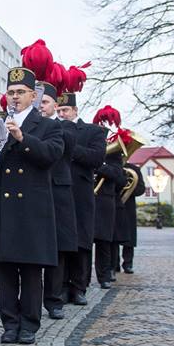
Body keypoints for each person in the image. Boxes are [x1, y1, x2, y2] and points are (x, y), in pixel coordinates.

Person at [0, 67, 62, 345]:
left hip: (32, 208)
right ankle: (9, 323)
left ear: (33, 96)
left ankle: (29, 325)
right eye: (11, 92)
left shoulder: (47, 125)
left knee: (31, 270)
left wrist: (22, 138)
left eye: (20, 92)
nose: (15, 97)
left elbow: (51, 155)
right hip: (2, 207)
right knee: (7, 268)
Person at [57, 92, 105, 306]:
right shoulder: (53, 128)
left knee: (82, 242)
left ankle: (79, 287)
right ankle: (61, 287)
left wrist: (69, 146)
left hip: (81, 193)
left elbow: (96, 158)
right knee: (62, 241)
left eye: (65, 110)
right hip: (59, 192)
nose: (62, 114)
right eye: (58, 111)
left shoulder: (93, 131)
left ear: (75, 110)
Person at [35, 82, 78, 320]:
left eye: (45, 102)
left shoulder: (64, 128)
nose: (41, 107)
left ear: (55, 105)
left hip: (57, 191)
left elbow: (68, 146)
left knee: (57, 249)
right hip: (33, 191)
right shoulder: (28, 124)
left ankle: (54, 299)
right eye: (38, 102)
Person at [92, 106, 127, 289]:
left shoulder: (114, 152)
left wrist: (99, 166)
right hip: (87, 197)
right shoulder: (91, 139)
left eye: (109, 122)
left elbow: (120, 178)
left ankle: (104, 275)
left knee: (104, 241)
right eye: (103, 121)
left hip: (105, 199)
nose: (106, 125)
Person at [116, 161, 145, 273]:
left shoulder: (133, 169)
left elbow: (141, 189)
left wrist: (129, 187)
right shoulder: (112, 166)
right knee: (114, 237)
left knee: (129, 237)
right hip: (114, 204)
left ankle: (128, 263)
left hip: (128, 207)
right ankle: (115, 264)